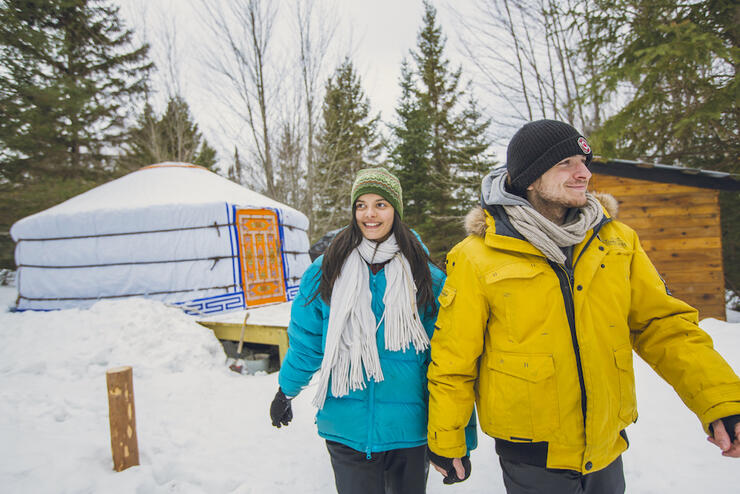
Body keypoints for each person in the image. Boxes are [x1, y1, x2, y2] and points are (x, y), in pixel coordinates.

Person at [426, 119, 740, 493]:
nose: (584, 174)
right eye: (567, 163)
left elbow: (665, 326)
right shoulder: (477, 256)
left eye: (585, 161)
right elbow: (454, 358)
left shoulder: (617, 241)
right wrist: (447, 440)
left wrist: (721, 400)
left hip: (607, 446)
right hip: (531, 455)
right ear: (529, 177)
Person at [269, 167, 475, 494]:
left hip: (409, 432)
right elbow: (307, 342)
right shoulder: (326, 271)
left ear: (396, 210)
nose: (369, 213)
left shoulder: (426, 276)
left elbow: (449, 360)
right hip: (346, 429)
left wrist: (457, 438)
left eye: (381, 204)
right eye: (361, 205)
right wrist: (286, 390)